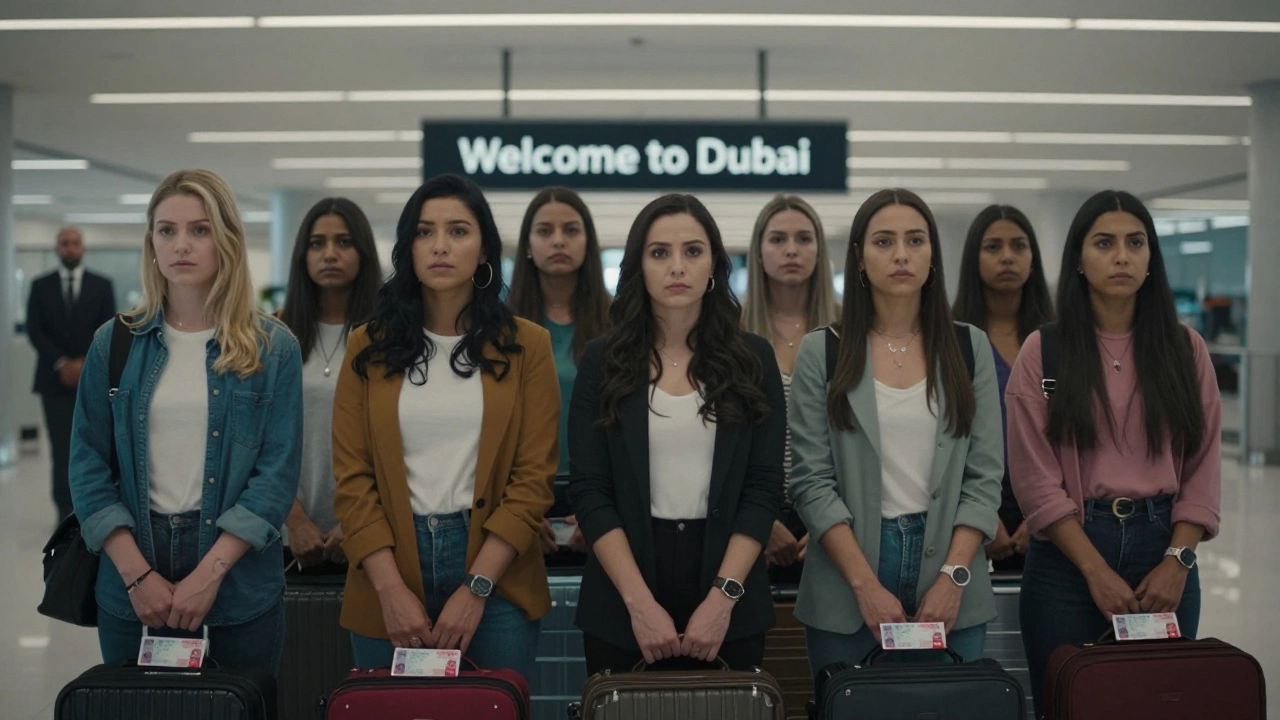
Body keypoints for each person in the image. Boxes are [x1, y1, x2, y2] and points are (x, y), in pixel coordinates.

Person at [69, 169, 302, 672]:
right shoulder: (114, 343)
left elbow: (277, 473)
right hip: (133, 570)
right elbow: (87, 466)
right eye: (166, 230)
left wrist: (209, 574)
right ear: (151, 242)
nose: (181, 245)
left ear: (227, 241)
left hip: (238, 580)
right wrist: (136, 576)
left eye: (200, 229)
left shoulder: (272, 348)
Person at [332, 174, 559, 682]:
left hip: (497, 570)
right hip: (386, 563)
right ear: (407, 246)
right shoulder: (366, 347)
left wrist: (477, 585)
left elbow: (532, 479)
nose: (439, 246)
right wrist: (390, 590)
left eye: (458, 231)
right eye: (423, 232)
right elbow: (352, 478)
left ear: (483, 251)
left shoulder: (528, 346)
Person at [1007, 190, 1220, 716]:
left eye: (1135, 243)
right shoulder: (1046, 350)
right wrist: (1094, 570)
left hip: (1164, 548)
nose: (1122, 256)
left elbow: (1203, 463)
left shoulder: (1183, 348)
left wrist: (1179, 560)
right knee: (1069, 703)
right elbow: (1035, 479)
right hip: (1067, 558)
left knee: (1157, 703)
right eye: (1105, 243)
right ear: (1079, 258)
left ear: (1151, 259)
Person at [788, 189, 1004, 676]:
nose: (902, 254)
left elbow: (985, 475)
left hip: (952, 568)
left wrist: (954, 575)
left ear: (933, 256)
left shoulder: (969, 347)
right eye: (884, 242)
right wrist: (864, 584)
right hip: (847, 576)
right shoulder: (822, 352)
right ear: (860, 258)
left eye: (915, 240)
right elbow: (810, 481)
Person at [567, 193, 786, 673]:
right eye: (659, 252)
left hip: (731, 592)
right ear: (638, 266)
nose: (677, 267)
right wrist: (639, 604)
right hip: (623, 594)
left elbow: (763, 488)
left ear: (713, 265)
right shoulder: (602, 361)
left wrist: (723, 598)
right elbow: (591, 490)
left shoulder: (754, 358)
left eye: (692, 250)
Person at [278, 198, 382, 571]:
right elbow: (256, 443)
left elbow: (402, 445)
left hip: (373, 532)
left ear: (364, 252)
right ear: (302, 255)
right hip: (286, 536)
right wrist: (295, 521)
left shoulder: (390, 338)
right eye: (318, 243)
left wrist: (358, 521)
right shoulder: (274, 337)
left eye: (344, 242)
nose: (330, 254)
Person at [741, 194, 840, 581]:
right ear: (759, 251)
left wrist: (828, 523)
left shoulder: (850, 333)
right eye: (778, 240)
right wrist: (759, 521)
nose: (791, 250)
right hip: (751, 520)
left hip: (838, 519)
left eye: (804, 239)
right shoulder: (731, 335)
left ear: (819, 251)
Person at [508, 187, 611, 556]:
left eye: (571, 230)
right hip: (516, 497)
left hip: (602, 495)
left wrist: (603, 511)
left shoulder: (619, 324)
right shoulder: (499, 327)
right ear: (527, 245)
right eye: (544, 231)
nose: (558, 241)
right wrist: (515, 511)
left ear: (588, 242)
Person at [951, 205, 1054, 573]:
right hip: (967, 503)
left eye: (1019, 246)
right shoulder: (950, 339)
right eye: (993, 247)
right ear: (973, 258)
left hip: (1052, 505)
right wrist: (978, 515)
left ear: (1033, 258)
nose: (1007, 257)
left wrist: (1046, 512)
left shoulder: (1057, 339)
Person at [25, 226, 117, 521]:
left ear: (83, 248)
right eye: (64, 243)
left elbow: (109, 328)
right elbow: (34, 330)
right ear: (57, 249)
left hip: (92, 378)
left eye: (75, 243)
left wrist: (82, 363)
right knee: (60, 446)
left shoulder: (101, 285)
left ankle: (91, 504)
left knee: (95, 444)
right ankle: (64, 509)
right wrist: (62, 362)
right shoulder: (41, 286)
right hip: (53, 380)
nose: (70, 248)